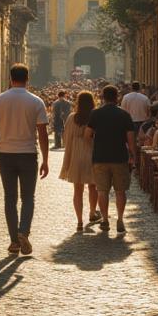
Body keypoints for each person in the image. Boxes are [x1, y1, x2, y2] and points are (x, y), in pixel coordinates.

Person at [0, 64, 49, 256]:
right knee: (28, 197)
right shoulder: (36, 101)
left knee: (9, 198)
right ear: (27, 78)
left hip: (6, 154)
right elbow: (43, 133)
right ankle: (24, 231)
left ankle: (14, 241)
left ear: (10, 77)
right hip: (29, 153)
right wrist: (46, 159)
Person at [86, 84, 136, 234]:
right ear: (117, 97)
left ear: (103, 97)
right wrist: (133, 155)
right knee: (120, 191)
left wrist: (95, 146)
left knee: (102, 191)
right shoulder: (124, 115)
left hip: (100, 158)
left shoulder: (95, 114)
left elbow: (87, 135)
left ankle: (105, 220)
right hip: (120, 157)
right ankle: (120, 219)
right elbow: (130, 139)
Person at [59, 90, 100, 232]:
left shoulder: (72, 118)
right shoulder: (95, 116)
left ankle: (79, 221)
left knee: (77, 189)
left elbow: (66, 138)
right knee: (93, 186)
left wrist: (68, 157)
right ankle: (92, 212)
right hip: (92, 152)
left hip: (76, 154)